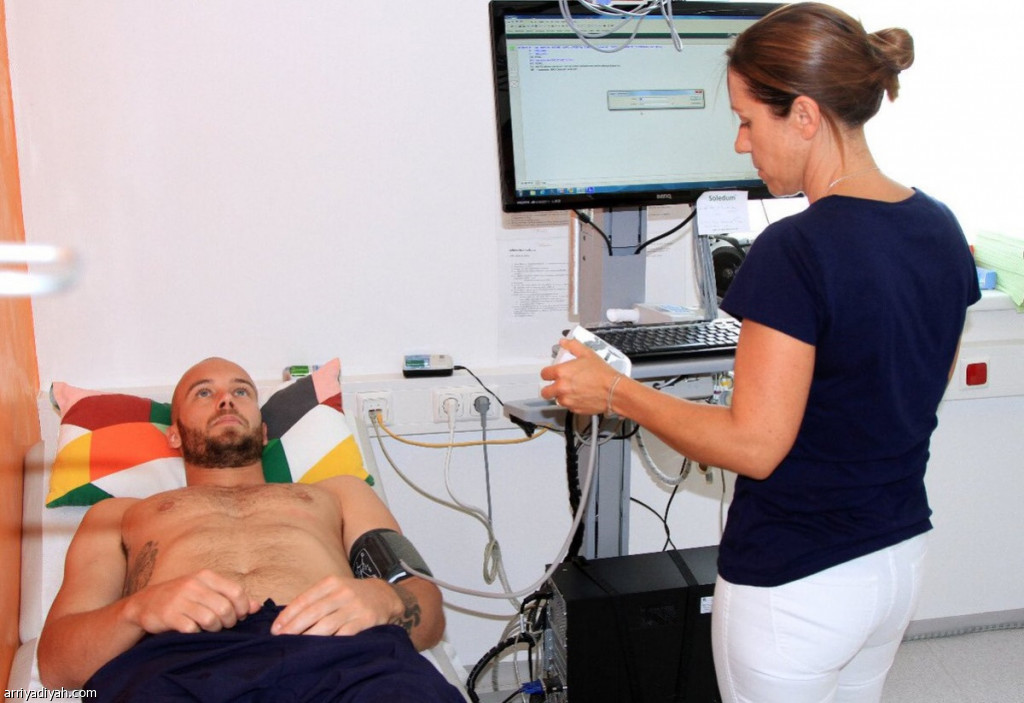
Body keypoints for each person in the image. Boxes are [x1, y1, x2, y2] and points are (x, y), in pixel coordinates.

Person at [541, 4, 980, 702]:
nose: (741, 142)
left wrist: (616, 392)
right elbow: (909, 385)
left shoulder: (794, 248)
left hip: (797, 582)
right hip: (895, 560)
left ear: (804, 114)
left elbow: (754, 446)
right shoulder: (938, 224)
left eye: (748, 120)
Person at [38, 357, 464, 702]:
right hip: (175, 665)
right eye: (204, 392)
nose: (226, 400)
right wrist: (136, 611)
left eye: (241, 391)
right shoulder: (117, 514)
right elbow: (57, 667)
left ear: (262, 433)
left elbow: (429, 611)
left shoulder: (340, 493)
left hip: (341, 655)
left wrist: (384, 598)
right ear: (173, 435)